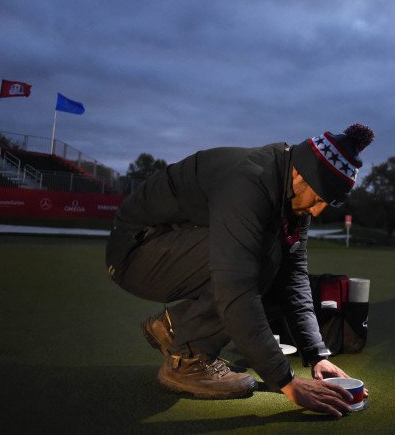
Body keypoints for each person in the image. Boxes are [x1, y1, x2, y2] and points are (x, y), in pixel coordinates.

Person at [105, 123, 374, 416]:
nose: (318, 210)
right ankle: (188, 361)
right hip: (136, 254)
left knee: (271, 261)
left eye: (328, 202)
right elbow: (236, 287)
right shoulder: (249, 181)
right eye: (319, 197)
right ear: (299, 172)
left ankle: (174, 328)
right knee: (256, 258)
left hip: (173, 246)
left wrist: (317, 354)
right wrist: (288, 383)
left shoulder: (294, 195)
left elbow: (294, 277)